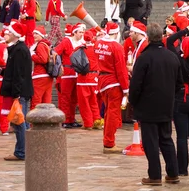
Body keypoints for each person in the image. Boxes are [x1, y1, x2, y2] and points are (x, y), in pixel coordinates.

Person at [130, 23, 182, 186]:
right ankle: (173, 173)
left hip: (147, 106)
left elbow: (136, 84)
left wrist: (133, 101)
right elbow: (179, 83)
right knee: (166, 139)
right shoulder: (172, 56)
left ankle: (154, 175)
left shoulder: (144, 57)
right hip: (166, 105)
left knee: (150, 141)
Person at [165, 31, 189, 177]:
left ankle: (182, 169)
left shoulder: (177, 60)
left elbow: (169, 41)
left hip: (181, 98)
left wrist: (183, 31)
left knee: (181, 137)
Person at [0, 21, 33, 161]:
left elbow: (18, 73)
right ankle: (21, 150)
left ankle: (22, 151)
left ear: (15, 34)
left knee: (19, 121)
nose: (6, 33)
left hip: (20, 91)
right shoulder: (17, 48)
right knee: (18, 121)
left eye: (9, 32)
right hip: (19, 90)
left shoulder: (19, 50)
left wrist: (16, 93)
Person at [95, 21, 129, 153]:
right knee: (112, 113)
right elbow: (121, 70)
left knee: (108, 112)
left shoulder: (98, 43)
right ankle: (109, 143)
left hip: (102, 80)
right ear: (117, 33)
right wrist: (126, 88)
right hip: (113, 82)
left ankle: (107, 140)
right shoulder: (116, 47)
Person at [54, 23, 85, 128]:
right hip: (67, 73)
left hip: (77, 74)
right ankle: (65, 120)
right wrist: (59, 65)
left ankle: (71, 119)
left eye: (83, 32)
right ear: (74, 32)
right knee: (65, 97)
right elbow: (55, 52)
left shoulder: (82, 43)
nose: (82, 34)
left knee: (74, 98)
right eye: (80, 32)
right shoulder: (66, 41)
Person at [76, 30, 103, 130]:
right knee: (94, 101)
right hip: (94, 78)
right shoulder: (96, 48)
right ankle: (97, 121)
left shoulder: (80, 49)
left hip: (83, 79)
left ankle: (88, 123)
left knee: (84, 103)